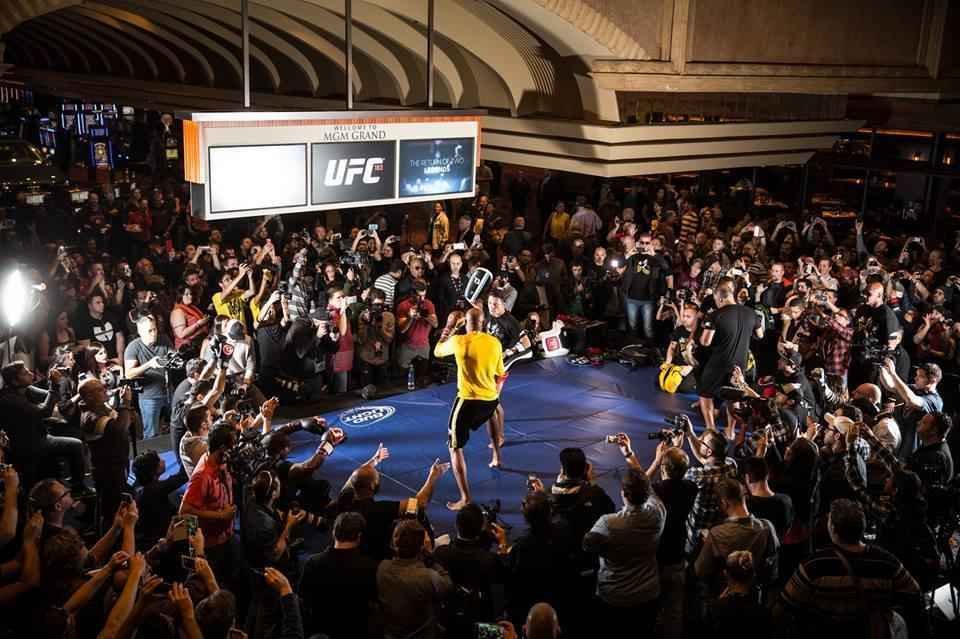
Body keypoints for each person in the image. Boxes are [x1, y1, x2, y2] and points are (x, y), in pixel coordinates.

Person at [776, 498, 922, 638]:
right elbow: (914, 593)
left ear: (832, 528)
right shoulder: (886, 562)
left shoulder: (814, 565)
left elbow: (783, 606)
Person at [434, 307, 506, 510]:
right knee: (491, 415)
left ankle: (465, 498)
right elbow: (501, 374)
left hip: (467, 401)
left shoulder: (459, 341)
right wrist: (494, 393)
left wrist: (449, 326)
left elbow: (437, 351)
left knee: (454, 446)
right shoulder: (494, 342)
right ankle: (497, 457)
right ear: (483, 323)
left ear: (466, 322)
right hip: (491, 398)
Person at [582, 467, 666, 636]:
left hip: (614, 596)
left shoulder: (608, 523)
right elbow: (648, 489)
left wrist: (606, 549)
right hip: (647, 594)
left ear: (623, 494)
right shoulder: (658, 512)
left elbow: (587, 544)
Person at [0, 362, 86, 495]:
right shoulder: (11, 399)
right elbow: (45, 411)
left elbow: (50, 397)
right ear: (15, 381)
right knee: (76, 445)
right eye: (24, 374)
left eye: (28, 370)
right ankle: (78, 488)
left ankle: (70, 483)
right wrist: (54, 385)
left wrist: (58, 382)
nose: (30, 374)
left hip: (39, 435)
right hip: (29, 443)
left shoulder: (26, 389)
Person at [693, 478, 780, 598]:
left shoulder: (717, 534)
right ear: (743, 496)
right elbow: (773, 572)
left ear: (724, 503)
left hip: (726, 597)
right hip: (756, 595)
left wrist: (708, 542)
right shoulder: (767, 527)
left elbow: (700, 570)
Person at [299, 512, 380, 639]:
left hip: (320, 630)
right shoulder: (370, 567)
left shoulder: (313, 563)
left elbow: (303, 598)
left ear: (334, 532)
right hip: (355, 631)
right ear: (359, 536)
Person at [698, 281, 764, 430]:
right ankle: (731, 430)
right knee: (733, 396)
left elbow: (705, 342)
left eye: (716, 300)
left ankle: (710, 428)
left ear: (720, 298)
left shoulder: (715, 315)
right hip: (740, 363)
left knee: (705, 393)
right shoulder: (750, 312)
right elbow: (760, 335)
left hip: (719, 362)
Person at [376, 519, 453, 639]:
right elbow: (447, 585)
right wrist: (429, 555)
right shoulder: (429, 576)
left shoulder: (382, 568)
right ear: (421, 546)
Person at [77, 377, 134, 529]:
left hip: (114, 464)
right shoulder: (92, 417)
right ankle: (110, 539)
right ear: (89, 396)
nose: (105, 389)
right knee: (111, 509)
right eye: (100, 389)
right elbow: (120, 429)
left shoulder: (100, 408)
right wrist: (125, 403)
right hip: (108, 469)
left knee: (110, 503)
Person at [877, 359, 943, 460]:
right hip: (897, 440)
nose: (915, 378)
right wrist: (882, 367)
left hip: (909, 450)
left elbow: (911, 400)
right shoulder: (915, 388)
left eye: (921, 376)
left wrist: (893, 373)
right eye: (916, 375)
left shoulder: (934, 400)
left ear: (933, 381)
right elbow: (890, 386)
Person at [124, 315, 175, 439]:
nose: (153, 333)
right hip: (149, 396)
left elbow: (173, 356)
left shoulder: (164, 339)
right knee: (151, 433)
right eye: (150, 331)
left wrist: (174, 358)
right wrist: (149, 364)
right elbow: (128, 373)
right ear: (140, 332)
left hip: (169, 391)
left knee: (175, 426)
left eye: (155, 329)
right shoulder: (133, 347)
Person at [622, 233, 672, 342]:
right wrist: (629, 253)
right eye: (642, 242)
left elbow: (667, 269)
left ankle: (650, 351)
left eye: (647, 243)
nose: (644, 245)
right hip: (632, 297)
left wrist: (654, 254)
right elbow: (621, 266)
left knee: (648, 328)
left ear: (651, 243)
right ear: (638, 242)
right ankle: (632, 349)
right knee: (632, 327)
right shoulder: (633, 256)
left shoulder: (656, 257)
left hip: (648, 299)